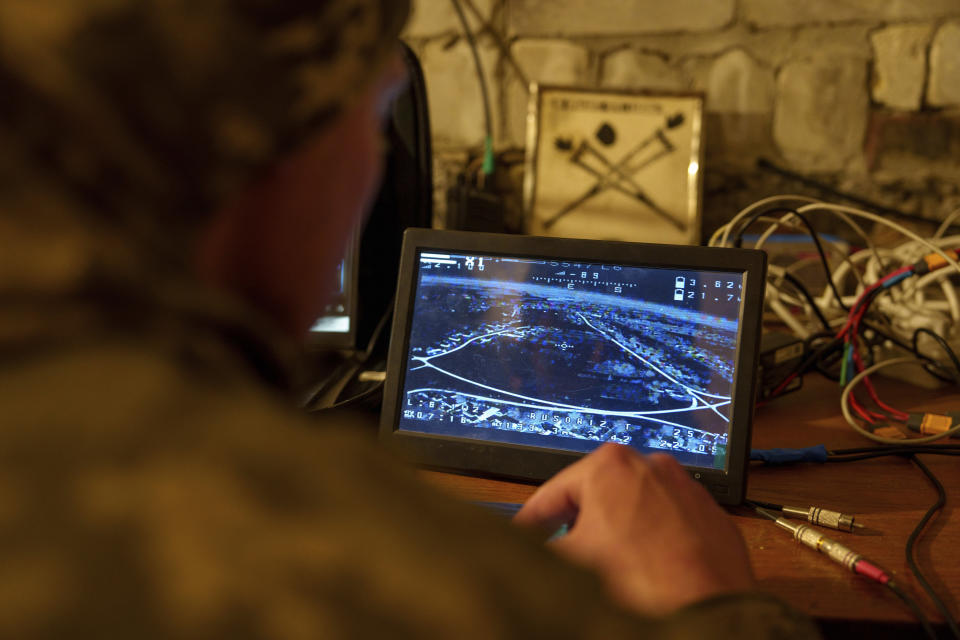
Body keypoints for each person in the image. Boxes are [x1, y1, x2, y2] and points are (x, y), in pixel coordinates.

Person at [0, 1, 820, 638]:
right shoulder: (397, 579)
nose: (375, 159)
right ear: (263, 139)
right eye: (374, 107)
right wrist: (712, 609)